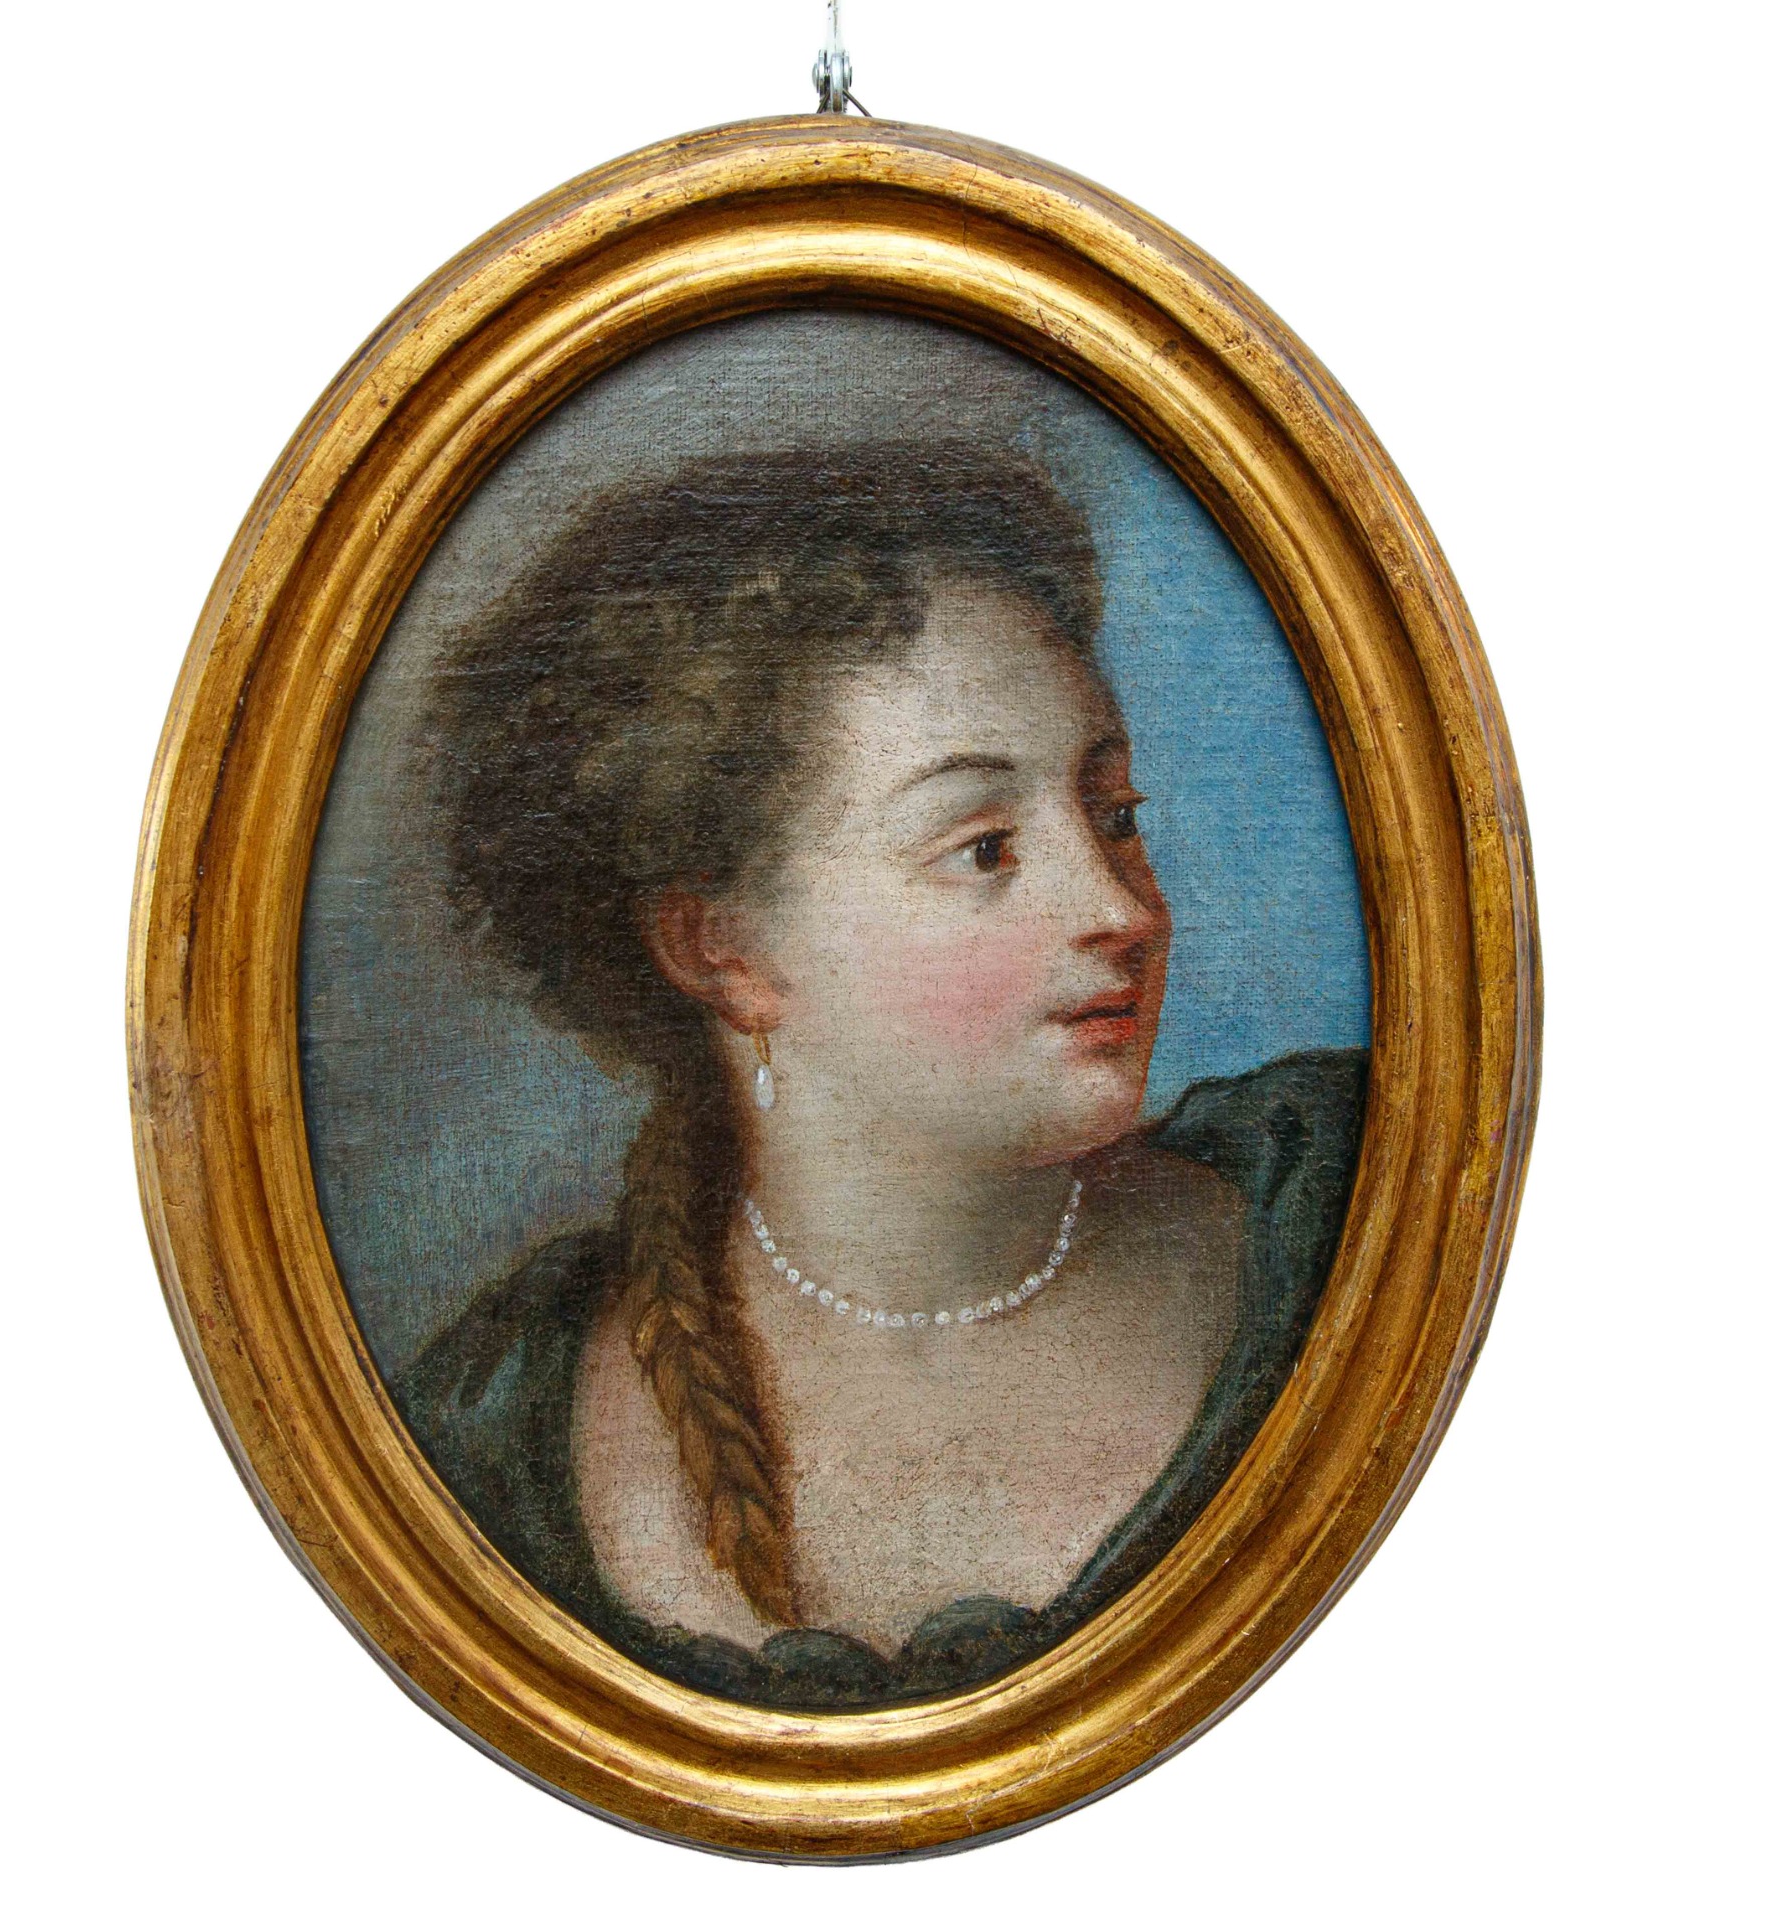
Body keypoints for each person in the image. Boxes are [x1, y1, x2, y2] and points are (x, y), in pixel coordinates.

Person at [398, 444, 1365, 1708]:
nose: (1119, 908)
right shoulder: (492, 1430)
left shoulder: (1335, 1204)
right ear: (722, 948)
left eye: (1113, 814)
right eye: (984, 847)